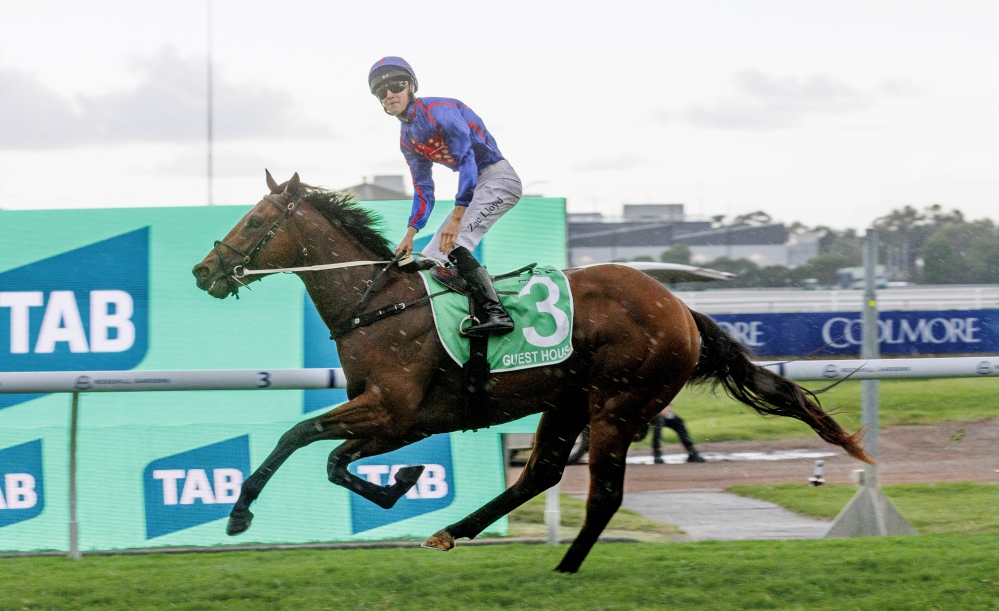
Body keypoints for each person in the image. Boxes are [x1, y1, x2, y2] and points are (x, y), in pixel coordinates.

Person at [368, 56, 523, 337]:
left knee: (454, 243)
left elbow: (467, 160)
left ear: (411, 86)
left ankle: (497, 313)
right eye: (381, 91)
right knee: (432, 257)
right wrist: (410, 233)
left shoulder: (439, 111)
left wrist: (457, 218)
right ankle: (465, 313)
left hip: (498, 179)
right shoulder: (407, 139)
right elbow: (423, 189)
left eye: (397, 85)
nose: (389, 94)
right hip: (479, 185)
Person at [565, 404, 705, 465]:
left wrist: (666, 407)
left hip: (654, 409)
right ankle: (657, 455)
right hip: (643, 411)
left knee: (678, 422)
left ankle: (692, 453)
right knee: (659, 422)